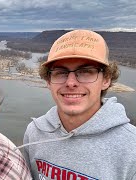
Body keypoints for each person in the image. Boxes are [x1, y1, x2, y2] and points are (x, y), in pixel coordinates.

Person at [19, 29, 136, 179]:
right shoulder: (35, 132)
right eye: (60, 72)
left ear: (106, 80)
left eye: (86, 71)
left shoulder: (131, 147)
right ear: (48, 81)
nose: (71, 83)